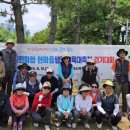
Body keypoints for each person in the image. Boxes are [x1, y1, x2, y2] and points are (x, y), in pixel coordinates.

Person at [111, 48, 130, 115]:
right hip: (117, 82)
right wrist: (114, 79)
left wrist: (129, 81)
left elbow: (129, 72)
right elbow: (113, 71)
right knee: (116, 97)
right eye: (121, 53)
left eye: (123, 53)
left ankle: (124, 111)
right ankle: (115, 110)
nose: (122, 54)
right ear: (119, 54)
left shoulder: (128, 62)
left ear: (125, 54)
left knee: (125, 97)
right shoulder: (115, 61)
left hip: (125, 82)